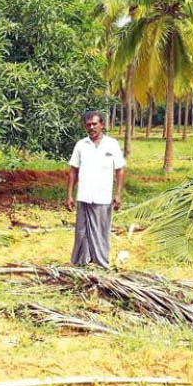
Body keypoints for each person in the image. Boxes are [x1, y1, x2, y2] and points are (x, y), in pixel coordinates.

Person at [66, 110, 126, 268]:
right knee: (81, 232)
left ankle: (101, 264)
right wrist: (69, 195)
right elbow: (73, 171)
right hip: (84, 195)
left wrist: (118, 194)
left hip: (103, 196)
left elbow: (119, 170)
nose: (91, 127)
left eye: (94, 124)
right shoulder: (81, 145)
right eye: (88, 125)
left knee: (101, 232)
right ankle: (81, 262)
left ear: (102, 125)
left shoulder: (112, 144)